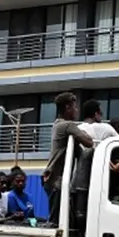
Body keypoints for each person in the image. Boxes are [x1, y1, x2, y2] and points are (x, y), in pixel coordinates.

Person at [42, 92, 95, 226]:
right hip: (56, 179)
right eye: (75, 107)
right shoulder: (67, 125)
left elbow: (80, 152)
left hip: (53, 178)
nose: (76, 110)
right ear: (68, 108)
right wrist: (83, 134)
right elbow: (89, 142)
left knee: (63, 218)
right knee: (55, 222)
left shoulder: (57, 124)